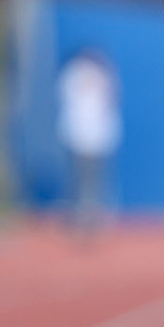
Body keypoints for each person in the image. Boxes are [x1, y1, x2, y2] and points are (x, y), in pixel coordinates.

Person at [56, 47, 121, 236]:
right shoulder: (76, 76)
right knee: (83, 180)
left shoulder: (81, 75)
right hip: (82, 135)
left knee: (90, 180)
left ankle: (90, 218)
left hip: (92, 136)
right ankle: (82, 218)